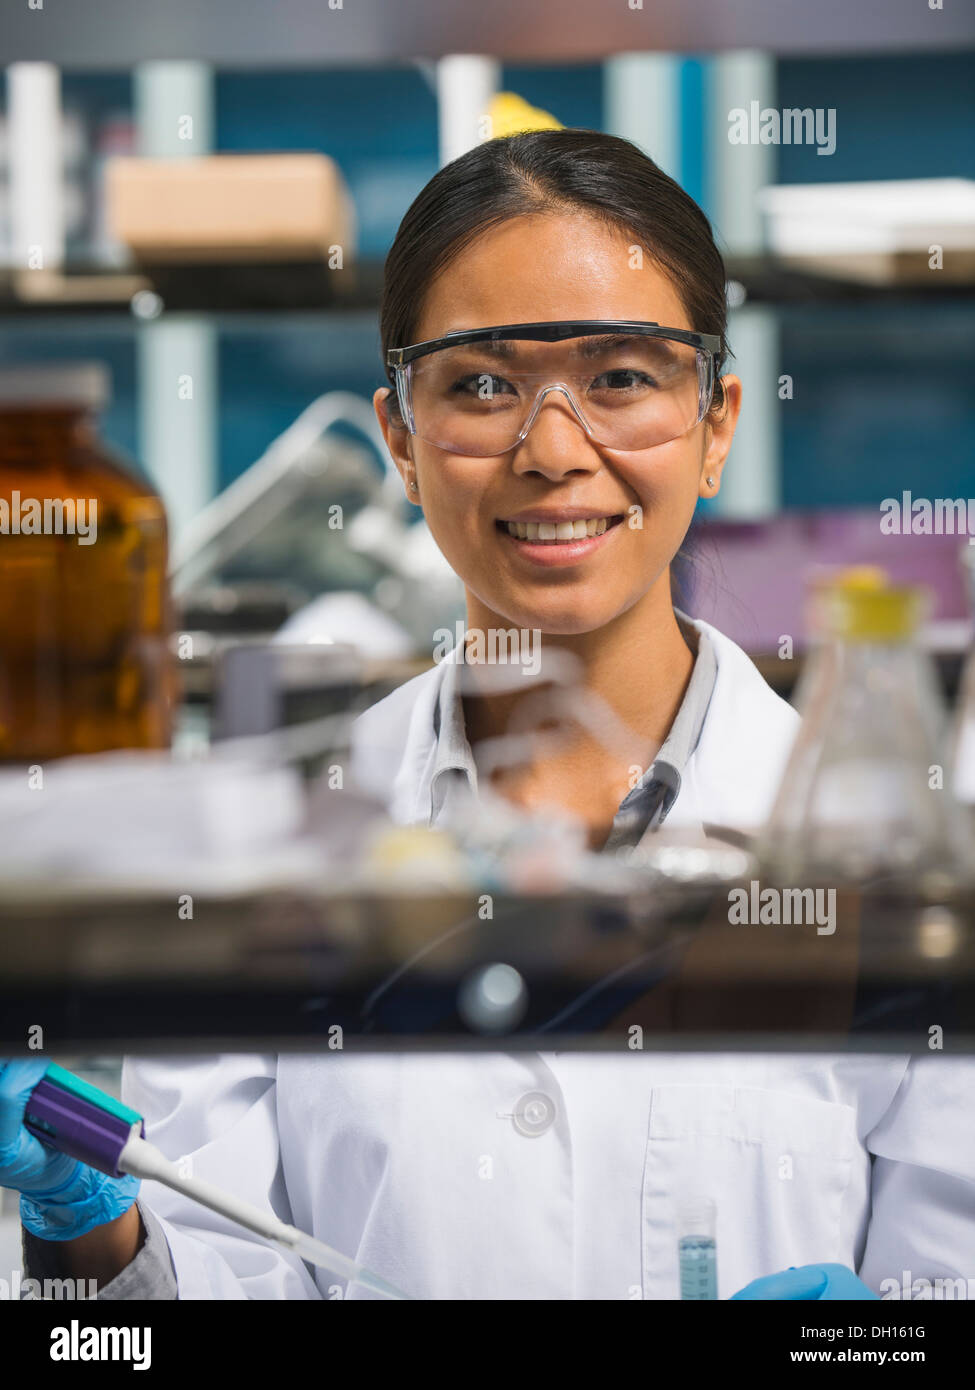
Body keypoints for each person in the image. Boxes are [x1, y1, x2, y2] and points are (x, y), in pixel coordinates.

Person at [4, 130, 973, 1300]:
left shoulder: (897, 848)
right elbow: (211, 1287)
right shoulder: (270, 830)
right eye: (480, 384)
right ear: (401, 441)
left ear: (716, 422)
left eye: (622, 376)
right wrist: (89, 1234)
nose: (554, 451)